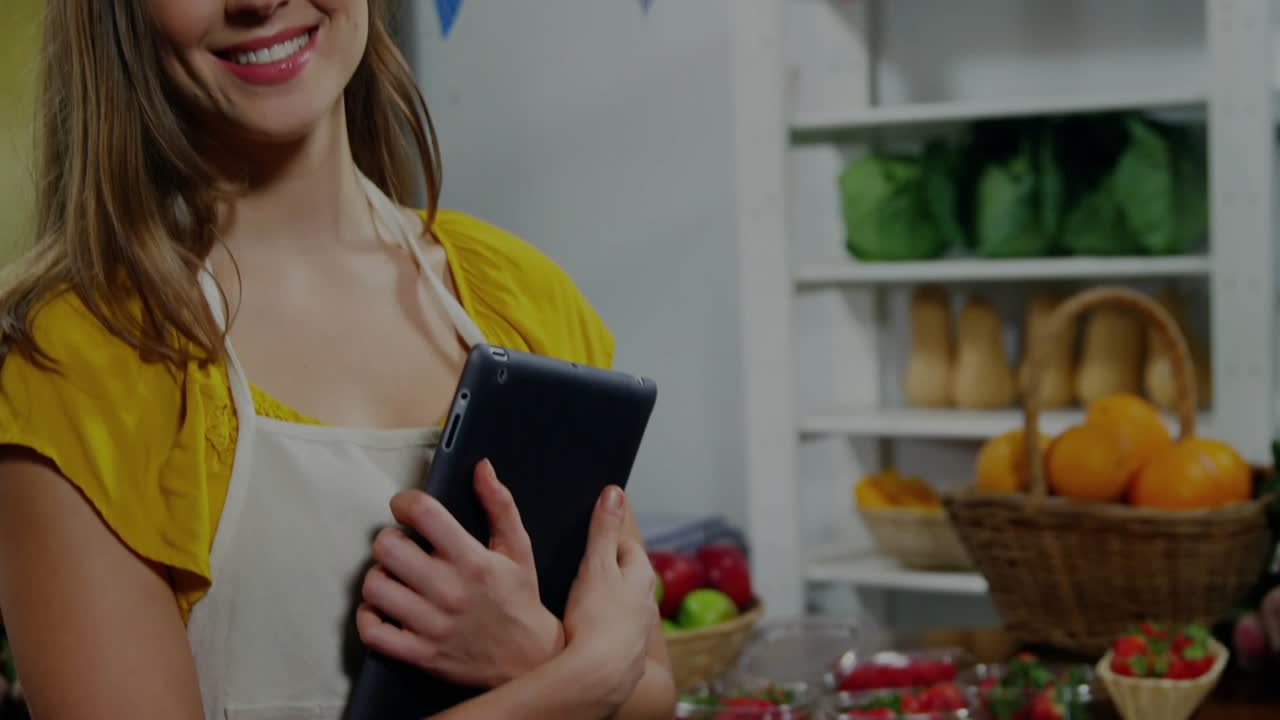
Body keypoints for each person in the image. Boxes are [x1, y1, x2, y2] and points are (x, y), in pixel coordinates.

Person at [0, 2, 675, 719]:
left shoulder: (523, 296)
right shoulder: (71, 365)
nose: (257, 1)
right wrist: (568, 682)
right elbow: (610, 680)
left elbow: (653, 690)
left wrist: (535, 656)